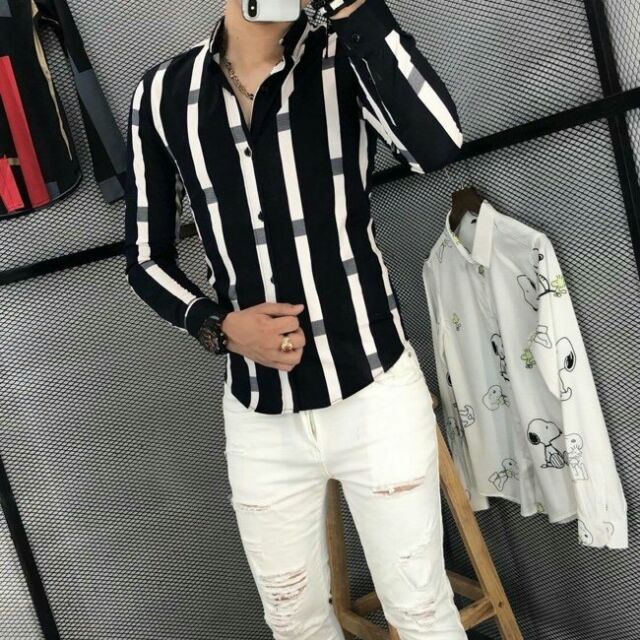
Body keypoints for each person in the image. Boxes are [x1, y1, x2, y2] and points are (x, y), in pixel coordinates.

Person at [123, 0, 466, 637]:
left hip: (373, 391)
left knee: (421, 613)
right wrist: (220, 326)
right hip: (260, 417)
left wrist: (358, 13)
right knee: (294, 622)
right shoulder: (162, 93)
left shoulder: (345, 55)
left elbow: (436, 146)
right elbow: (145, 257)